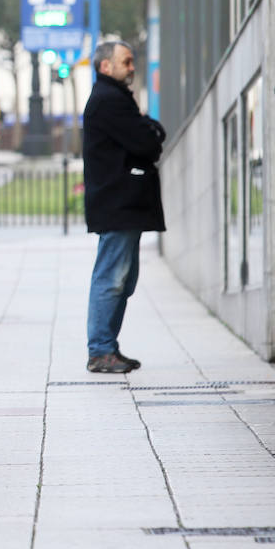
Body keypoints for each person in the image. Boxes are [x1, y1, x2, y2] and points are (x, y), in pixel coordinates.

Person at [82, 40, 166, 374]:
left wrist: (148, 129)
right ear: (106, 66)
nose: (132, 67)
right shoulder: (109, 100)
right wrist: (149, 128)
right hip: (117, 204)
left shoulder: (114, 97)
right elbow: (147, 142)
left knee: (124, 280)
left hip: (123, 205)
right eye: (126, 62)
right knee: (112, 278)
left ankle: (108, 347)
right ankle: (100, 351)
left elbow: (148, 136)